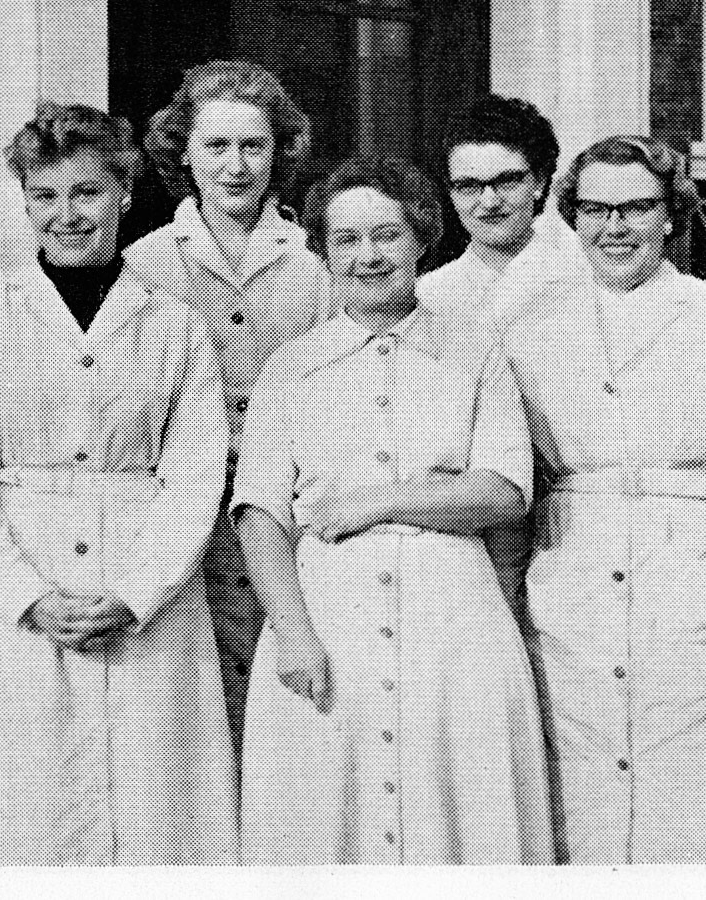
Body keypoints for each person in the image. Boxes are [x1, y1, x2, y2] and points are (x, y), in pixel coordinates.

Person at [0, 103, 236, 865]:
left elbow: (194, 476)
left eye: (86, 193)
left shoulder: (174, 325)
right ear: (23, 201)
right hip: (11, 604)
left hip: (141, 598)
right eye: (45, 195)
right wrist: (28, 595)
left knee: (154, 812)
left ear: (124, 193)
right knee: (14, 814)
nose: (66, 215)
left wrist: (134, 591)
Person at [503, 135, 706, 863]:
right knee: (586, 805)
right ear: (572, 216)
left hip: (697, 588)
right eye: (595, 208)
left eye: (636, 207)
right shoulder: (526, 325)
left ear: (671, 215)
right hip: (573, 588)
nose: (614, 226)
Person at [232, 154, 553, 865]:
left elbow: (503, 489)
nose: (368, 255)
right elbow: (259, 513)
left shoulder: (475, 350)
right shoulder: (292, 365)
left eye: (387, 234)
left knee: (460, 814)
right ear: (322, 252)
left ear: (420, 240)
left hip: (455, 624)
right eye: (346, 240)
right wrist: (293, 635)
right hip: (327, 617)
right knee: (325, 814)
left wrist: (373, 502)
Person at [126, 60, 332, 753]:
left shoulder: (318, 263)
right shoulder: (145, 266)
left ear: (281, 151)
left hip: (293, 523)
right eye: (216, 146)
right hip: (183, 523)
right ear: (183, 151)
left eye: (254, 146)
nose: (236, 166)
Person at [415, 95, 586, 618]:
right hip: (461, 529)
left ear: (540, 183)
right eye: (468, 186)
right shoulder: (428, 296)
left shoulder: (593, 281)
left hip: (574, 526)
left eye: (506, 181)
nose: (487, 201)